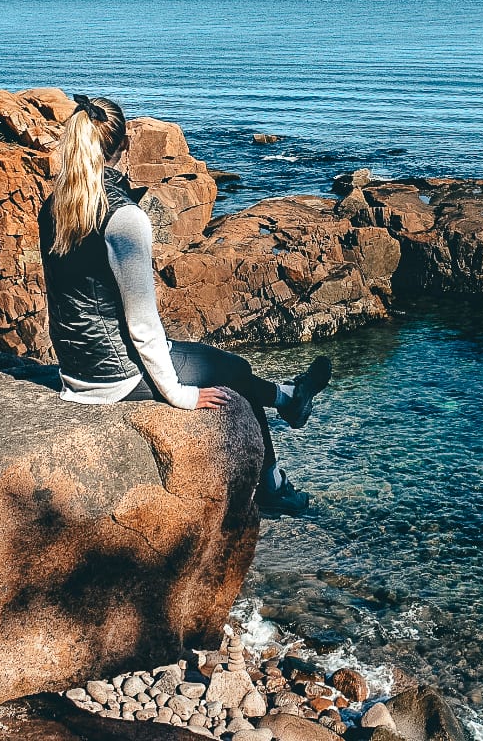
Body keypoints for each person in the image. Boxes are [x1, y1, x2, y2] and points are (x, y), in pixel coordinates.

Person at [38, 93, 329, 517]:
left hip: (78, 369)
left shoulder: (56, 207)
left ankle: (289, 399)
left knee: (222, 366)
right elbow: (141, 324)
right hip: (117, 378)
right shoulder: (124, 219)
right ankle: (273, 482)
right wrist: (179, 395)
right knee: (235, 372)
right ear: (124, 149)